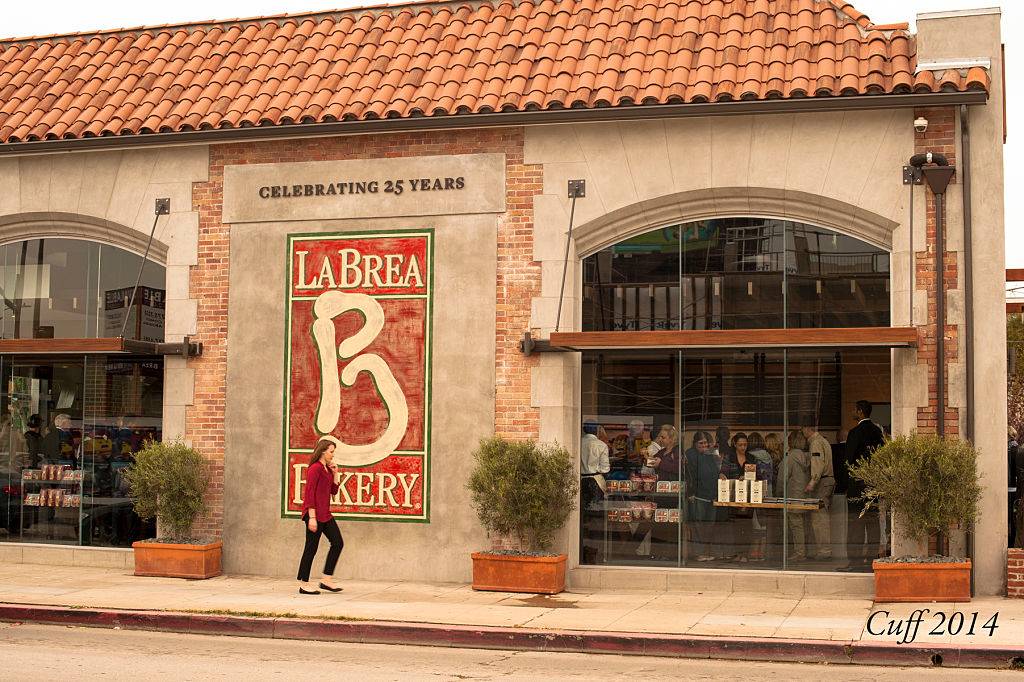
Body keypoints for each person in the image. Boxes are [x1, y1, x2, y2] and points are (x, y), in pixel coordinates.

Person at [840, 401, 885, 571]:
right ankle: (873, 559)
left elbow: (848, 461)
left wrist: (845, 484)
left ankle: (855, 561)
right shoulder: (877, 432)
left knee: (855, 525)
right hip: (873, 484)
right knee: (873, 524)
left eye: (854, 409)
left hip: (857, 485)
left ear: (860, 411)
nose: (853, 411)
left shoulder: (855, 433)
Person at [297, 439, 344, 595]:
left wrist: (336, 473)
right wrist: (311, 517)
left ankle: (326, 580)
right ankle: (304, 583)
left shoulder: (327, 469)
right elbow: (309, 494)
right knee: (311, 548)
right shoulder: (315, 469)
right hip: (314, 514)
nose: (333, 455)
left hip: (325, 514)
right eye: (331, 451)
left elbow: (333, 491)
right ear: (323, 451)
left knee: (337, 542)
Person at [801, 424, 836, 561]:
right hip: (828, 480)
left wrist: (812, 482)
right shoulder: (823, 440)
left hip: (822, 482)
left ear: (807, 428)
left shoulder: (815, 443)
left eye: (803, 429)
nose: (802, 432)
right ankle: (824, 550)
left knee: (819, 519)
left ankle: (824, 551)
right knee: (822, 518)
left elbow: (818, 463)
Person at [720, 432, 756, 562]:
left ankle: (745, 554)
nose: (743, 447)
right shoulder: (729, 457)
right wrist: (722, 476)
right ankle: (738, 553)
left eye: (745, 445)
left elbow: (757, 476)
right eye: (740, 445)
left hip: (748, 495)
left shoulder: (751, 458)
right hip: (733, 493)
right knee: (735, 525)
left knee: (747, 525)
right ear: (734, 444)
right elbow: (723, 472)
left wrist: (747, 477)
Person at [685, 431, 720, 561]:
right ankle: (699, 553)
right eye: (701, 443)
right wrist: (690, 493)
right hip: (698, 495)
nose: (704, 445)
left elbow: (716, 471)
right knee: (698, 526)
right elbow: (689, 475)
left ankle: (705, 552)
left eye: (706, 443)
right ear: (695, 444)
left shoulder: (710, 454)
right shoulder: (690, 455)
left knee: (709, 527)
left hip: (711, 495)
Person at [777, 430, 812, 562]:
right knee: (804, 525)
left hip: (793, 495)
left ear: (790, 441)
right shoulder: (807, 456)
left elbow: (782, 478)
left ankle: (799, 553)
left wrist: (778, 493)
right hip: (806, 494)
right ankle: (803, 551)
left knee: (796, 525)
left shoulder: (790, 457)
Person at [580, 421, 610, 509]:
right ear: (596, 430)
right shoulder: (602, 445)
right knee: (597, 510)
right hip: (596, 481)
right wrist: (595, 467)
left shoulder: (578, 443)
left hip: (580, 480)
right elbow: (605, 469)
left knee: (581, 509)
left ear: (583, 429)